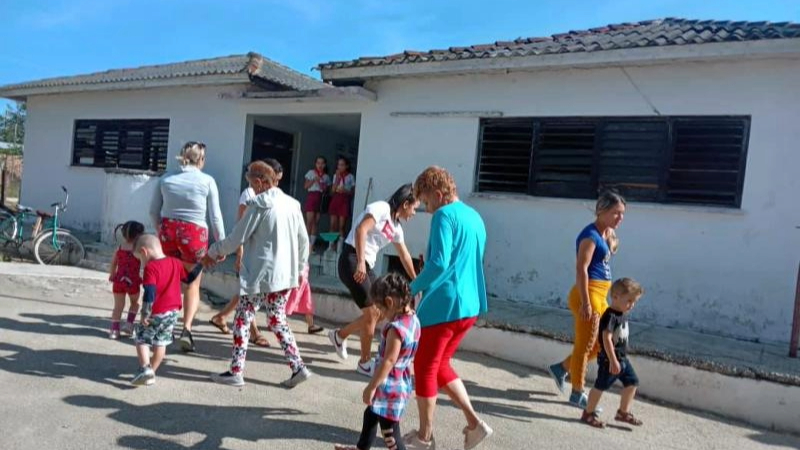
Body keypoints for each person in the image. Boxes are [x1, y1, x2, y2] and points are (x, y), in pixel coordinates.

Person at [403, 166, 492, 450]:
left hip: (444, 304)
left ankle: (424, 437)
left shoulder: (444, 215)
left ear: (439, 195)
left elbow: (440, 264)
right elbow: (467, 258)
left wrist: (411, 288)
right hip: (470, 305)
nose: (428, 209)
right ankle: (474, 424)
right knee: (441, 365)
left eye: (427, 202)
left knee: (425, 366)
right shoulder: (474, 216)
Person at [206, 161, 312, 388]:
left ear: (259, 181)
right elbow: (304, 241)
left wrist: (213, 252)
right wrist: (301, 267)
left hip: (262, 275)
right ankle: (298, 366)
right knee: (277, 319)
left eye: (251, 184)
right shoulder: (292, 204)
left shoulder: (259, 205)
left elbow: (236, 238)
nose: (251, 189)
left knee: (243, 318)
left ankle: (236, 371)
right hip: (285, 276)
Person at [328, 184, 418, 378]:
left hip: (365, 265)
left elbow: (405, 256)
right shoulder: (381, 208)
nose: (414, 213)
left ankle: (339, 335)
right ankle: (364, 362)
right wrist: (360, 262)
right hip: (352, 259)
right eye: (414, 208)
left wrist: (418, 281)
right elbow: (361, 230)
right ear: (405, 203)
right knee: (371, 313)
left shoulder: (397, 227)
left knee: (383, 311)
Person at [548, 191, 626, 409]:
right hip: (588, 293)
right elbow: (581, 269)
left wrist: (611, 237)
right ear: (602, 211)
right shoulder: (590, 235)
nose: (619, 218)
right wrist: (585, 302)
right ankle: (577, 392)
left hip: (600, 295)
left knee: (600, 345)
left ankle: (562, 368)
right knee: (585, 345)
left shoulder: (606, 233)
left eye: (622, 214)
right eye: (615, 213)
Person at [149, 141, 225, 352]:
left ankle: (166, 325)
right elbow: (215, 216)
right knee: (192, 284)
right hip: (194, 234)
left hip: (168, 230)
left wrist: (160, 231)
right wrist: (221, 245)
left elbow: (153, 211)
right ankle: (187, 330)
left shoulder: (166, 179)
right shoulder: (207, 180)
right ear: (201, 159)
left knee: (170, 280)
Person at [334, 273, 420, 450]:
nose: (381, 314)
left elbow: (389, 361)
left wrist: (371, 386)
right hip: (399, 383)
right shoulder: (413, 319)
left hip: (389, 387)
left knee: (390, 433)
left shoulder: (396, 330)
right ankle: (362, 447)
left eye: (380, 308)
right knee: (371, 414)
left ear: (389, 302)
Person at [207, 165, 272, 348]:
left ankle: (222, 317)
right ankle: (253, 333)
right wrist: (239, 254)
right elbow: (242, 227)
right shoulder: (249, 195)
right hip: (248, 252)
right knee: (247, 294)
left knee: (246, 293)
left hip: (257, 255)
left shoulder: (272, 198)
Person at [130, 234, 203, 386]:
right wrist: (200, 266)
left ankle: (145, 368)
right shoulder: (175, 262)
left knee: (141, 338)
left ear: (144, 252)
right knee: (161, 342)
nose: (141, 264)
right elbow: (189, 279)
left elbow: (149, 292)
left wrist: (145, 313)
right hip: (173, 313)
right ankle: (152, 372)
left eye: (140, 259)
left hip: (157, 311)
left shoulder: (151, 268)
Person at [581, 278, 645, 428]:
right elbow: (606, 338)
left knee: (632, 382)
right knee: (600, 386)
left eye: (634, 301)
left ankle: (623, 412)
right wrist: (613, 360)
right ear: (615, 297)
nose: (632, 305)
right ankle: (588, 413)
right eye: (629, 301)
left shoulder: (621, 313)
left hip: (622, 359)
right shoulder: (610, 316)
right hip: (610, 360)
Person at [107, 221, 145, 339]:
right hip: (133, 281)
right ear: (139, 235)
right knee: (135, 303)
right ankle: (129, 324)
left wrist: (112, 274)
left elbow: (113, 263)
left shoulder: (119, 247)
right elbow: (144, 264)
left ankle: (114, 330)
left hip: (119, 281)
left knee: (118, 307)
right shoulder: (139, 249)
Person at [328, 157, 355, 250]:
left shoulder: (350, 176)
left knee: (341, 225)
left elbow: (352, 192)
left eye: (342, 165)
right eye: (339, 165)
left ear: (346, 166)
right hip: (336, 199)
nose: (340, 167)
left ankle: (340, 247)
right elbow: (332, 190)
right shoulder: (336, 175)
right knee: (333, 224)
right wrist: (337, 179)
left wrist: (345, 190)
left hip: (344, 200)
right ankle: (331, 245)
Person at [304, 156, 331, 249]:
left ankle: (312, 243)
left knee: (316, 221)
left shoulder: (326, 176)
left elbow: (326, 190)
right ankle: (305, 243)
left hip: (320, 197)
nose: (320, 165)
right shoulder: (311, 173)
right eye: (318, 163)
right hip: (312, 196)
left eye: (322, 163)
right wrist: (313, 180)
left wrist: (320, 182)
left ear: (325, 165)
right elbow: (306, 186)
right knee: (309, 221)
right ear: (315, 164)